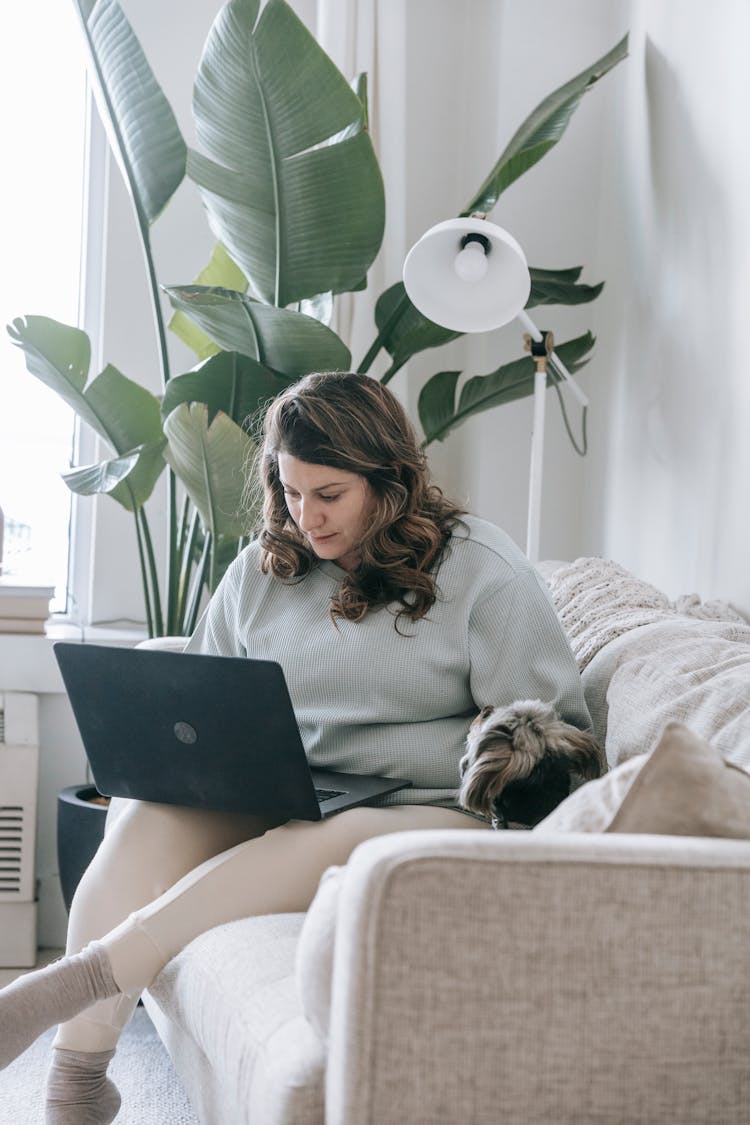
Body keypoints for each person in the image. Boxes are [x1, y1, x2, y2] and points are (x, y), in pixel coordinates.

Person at [0, 371, 591, 1122]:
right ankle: (77, 1081)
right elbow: (203, 691)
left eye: (330, 494)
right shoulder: (263, 569)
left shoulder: (484, 572)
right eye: (290, 491)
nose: (306, 516)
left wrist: (483, 756)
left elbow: (554, 741)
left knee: (323, 834)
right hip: (283, 781)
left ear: (389, 481)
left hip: (430, 804)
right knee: (148, 824)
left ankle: (73, 982)